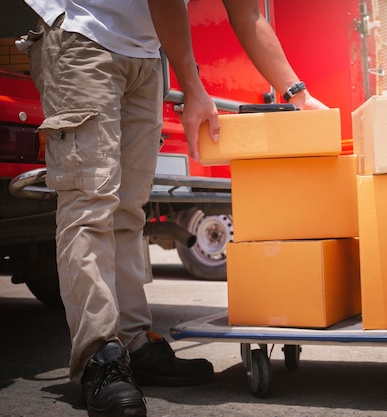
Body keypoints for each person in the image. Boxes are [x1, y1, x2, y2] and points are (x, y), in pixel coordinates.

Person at [21, 1, 327, 416]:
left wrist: (299, 94)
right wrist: (194, 87)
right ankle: (99, 358)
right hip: (83, 35)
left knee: (128, 210)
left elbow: (248, 14)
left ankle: (132, 343)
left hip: (145, 55)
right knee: (90, 202)